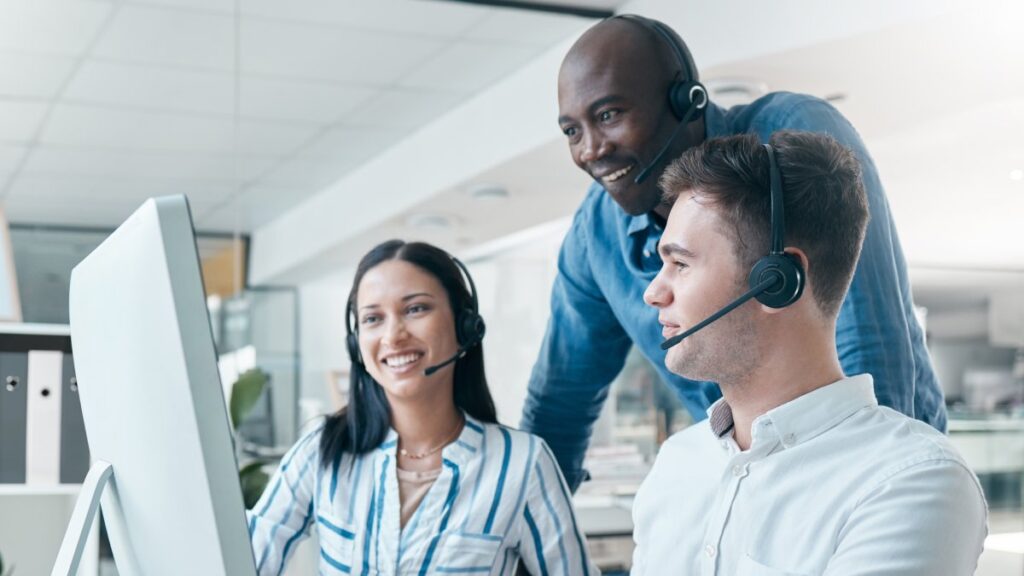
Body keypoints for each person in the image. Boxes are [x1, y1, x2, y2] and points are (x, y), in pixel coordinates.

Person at [522, 14, 945, 491]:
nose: (591, 150)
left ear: (685, 100)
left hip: (865, 471)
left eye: (607, 115)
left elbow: (867, 345)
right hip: (742, 483)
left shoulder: (791, 141)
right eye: (571, 132)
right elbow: (560, 404)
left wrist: (879, 491)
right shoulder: (594, 232)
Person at [631, 131, 986, 574]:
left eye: (680, 264)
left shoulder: (911, 480)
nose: (652, 292)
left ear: (777, 280)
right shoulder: (677, 464)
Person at [247, 240, 596, 575]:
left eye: (415, 309)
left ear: (465, 327)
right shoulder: (322, 449)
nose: (393, 335)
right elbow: (241, 561)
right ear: (356, 345)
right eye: (372, 319)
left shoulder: (522, 463)